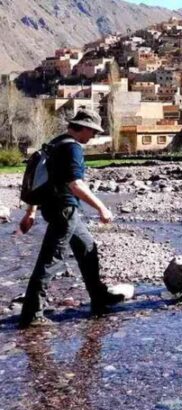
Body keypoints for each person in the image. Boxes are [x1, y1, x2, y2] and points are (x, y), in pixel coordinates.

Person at [18, 109, 124, 328]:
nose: (93, 136)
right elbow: (75, 184)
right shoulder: (72, 147)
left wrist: (31, 211)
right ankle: (32, 314)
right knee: (50, 260)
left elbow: (40, 180)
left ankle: (99, 297)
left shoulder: (55, 143)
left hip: (57, 208)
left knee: (87, 248)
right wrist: (102, 207)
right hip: (64, 211)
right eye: (92, 131)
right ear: (83, 127)